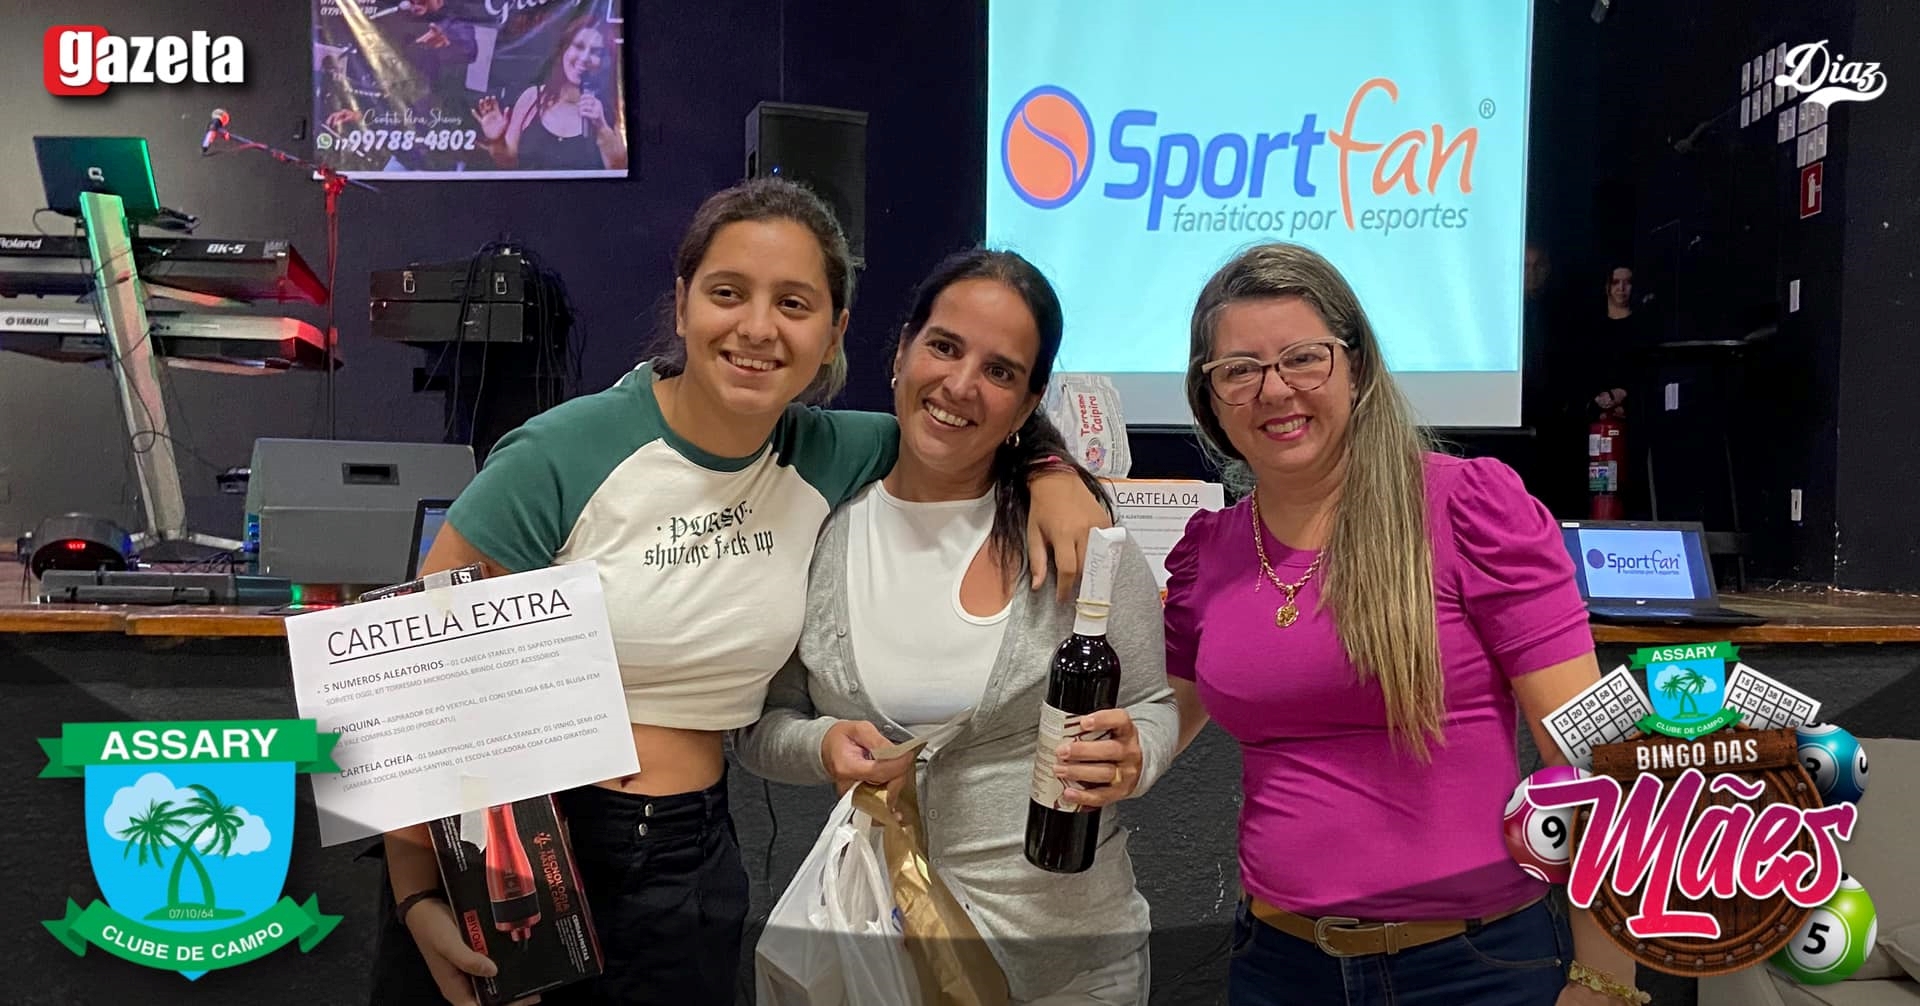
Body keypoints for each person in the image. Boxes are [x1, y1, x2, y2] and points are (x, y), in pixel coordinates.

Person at [371, 179, 1111, 1006]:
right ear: (683, 303)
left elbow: (966, 422)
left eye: (793, 303)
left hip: (685, 862)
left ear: (834, 333)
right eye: (728, 293)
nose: (758, 328)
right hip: (510, 850)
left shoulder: (831, 454)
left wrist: (1051, 469)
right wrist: (419, 896)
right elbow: (420, 680)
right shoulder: (563, 452)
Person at [1161, 242, 1646, 1006]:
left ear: (1355, 366)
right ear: (1209, 396)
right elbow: (1163, 717)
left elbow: (1592, 757)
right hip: (1278, 967)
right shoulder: (1209, 554)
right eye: (1239, 370)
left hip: (1475, 970)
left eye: (1303, 358)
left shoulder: (1469, 509)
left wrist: (1608, 978)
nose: (1274, 390)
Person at [735, 249, 1177, 1006]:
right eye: (944, 347)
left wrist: (1138, 756)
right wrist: (822, 746)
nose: (962, 384)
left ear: (1028, 403)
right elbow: (761, 726)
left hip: (1069, 968)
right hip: (882, 959)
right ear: (901, 352)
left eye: (1000, 371)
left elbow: (1152, 705)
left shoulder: (1076, 535)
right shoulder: (819, 531)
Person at [475, 15, 628, 171]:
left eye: (595, 52)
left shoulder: (610, 109)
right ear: (565, 49)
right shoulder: (532, 99)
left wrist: (601, 127)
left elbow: (618, 168)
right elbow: (508, 161)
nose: (584, 58)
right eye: (579, 46)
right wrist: (496, 139)